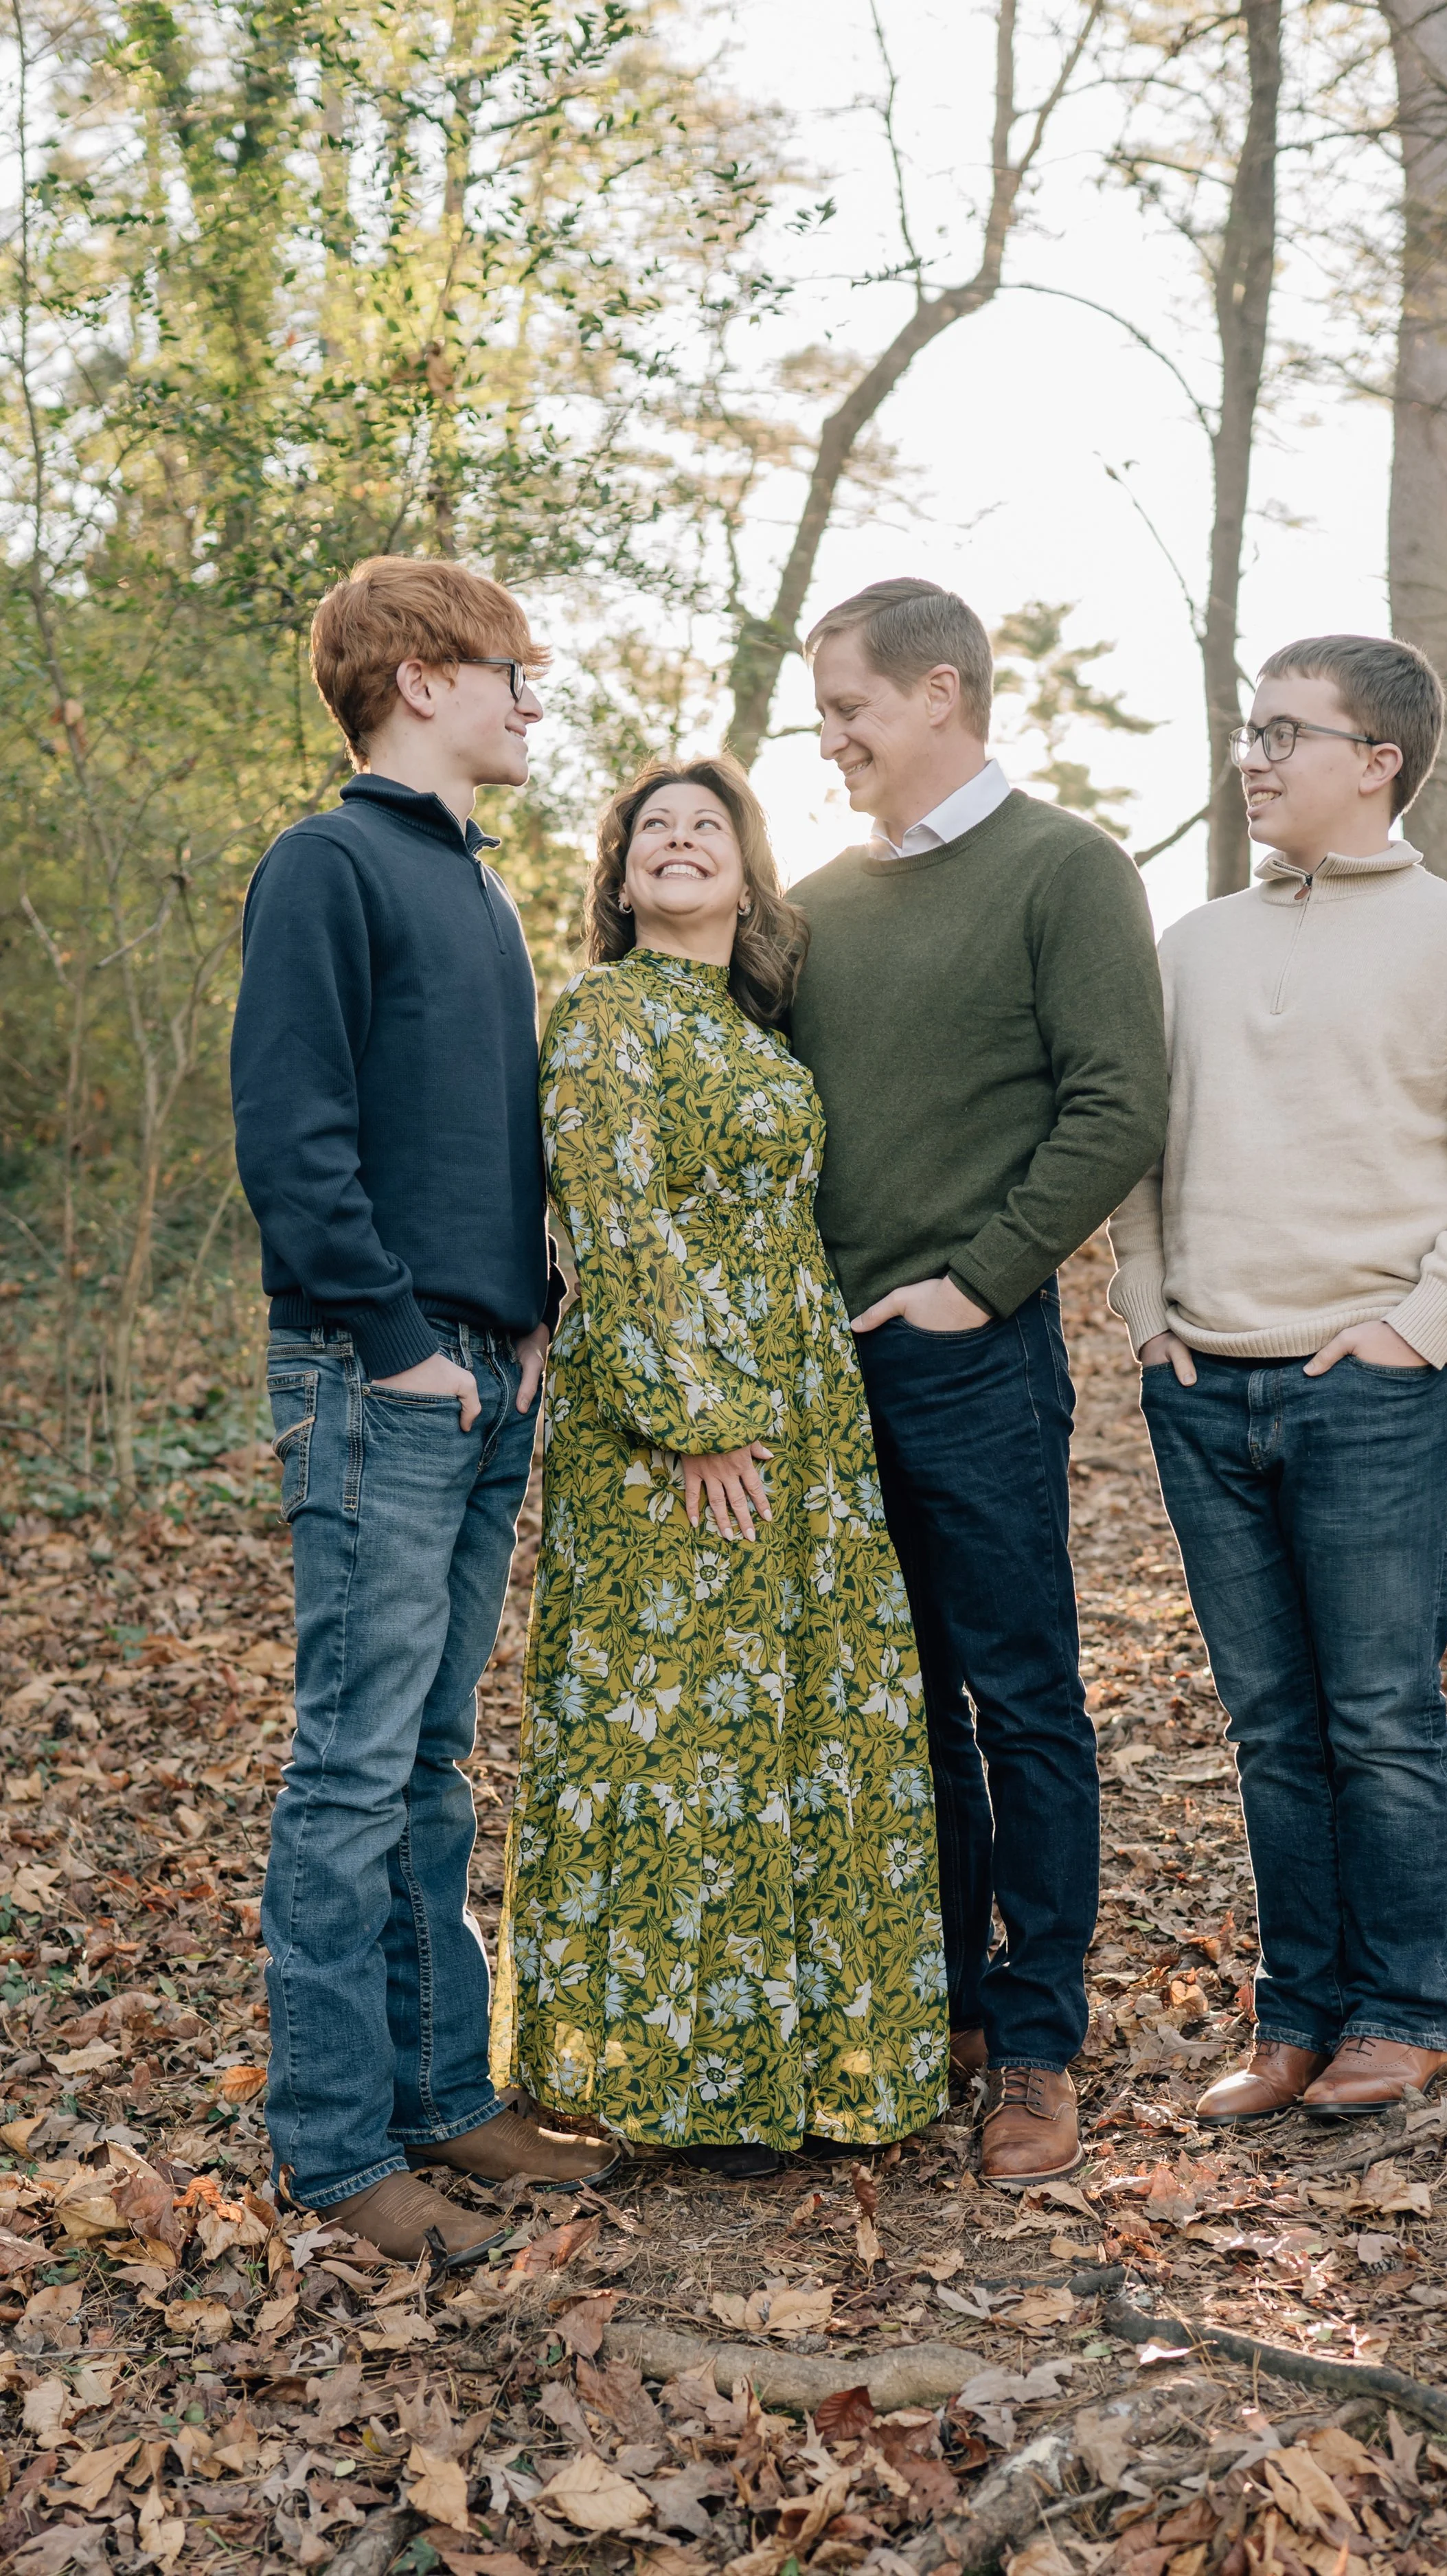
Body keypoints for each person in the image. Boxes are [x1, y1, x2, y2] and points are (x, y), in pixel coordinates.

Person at [1109, 635, 1447, 2125]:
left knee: (1375, 1714)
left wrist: (1417, 1323)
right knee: (1266, 1724)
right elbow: (1135, 1152)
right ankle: (1296, 2016)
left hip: (1375, 1389)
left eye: (1284, 733)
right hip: (1205, 1382)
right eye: (1248, 731)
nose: (1250, 756)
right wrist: (1146, 1309)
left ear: (1375, 760)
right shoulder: (1190, 946)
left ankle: (1400, 2010)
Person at [230, 557, 615, 2266]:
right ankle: (337, 2147)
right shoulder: (326, 865)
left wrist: (521, 1321)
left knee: (438, 1765)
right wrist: (397, 1342)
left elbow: (480, 1141)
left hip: (478, 1373)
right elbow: (293, 1135)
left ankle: (449, 2097)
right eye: (513, 672)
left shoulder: (476, 885)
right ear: (418, 678)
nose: (533, 699)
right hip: (377, 1375)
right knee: (354, 1764)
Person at [491, 754, 948, 2179]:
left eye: (706, 830)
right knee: (679, 1739)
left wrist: (774, 1410)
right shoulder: (605, 1016)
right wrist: (696, 1418)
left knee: (796, 1723)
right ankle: (684, 2086)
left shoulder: (756, 1034)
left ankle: (813, 2062)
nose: (677, 844)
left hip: (800, 1413)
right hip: (674, 1427)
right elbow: (612, 1224)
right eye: (651, 831)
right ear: (620, 878)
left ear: (746, 876)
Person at [790, 578, 1167, 2186]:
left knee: (1019, 1700)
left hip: (969, 1355)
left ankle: (1035, 2041)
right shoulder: (807, 906)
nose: (830, 742)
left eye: (849, 708)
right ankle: (937, 1999)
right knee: (900, 1705)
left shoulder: (1064, 869)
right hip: (821, 1372)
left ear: (939, 694)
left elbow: (1115, 1102)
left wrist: (973, 1283)